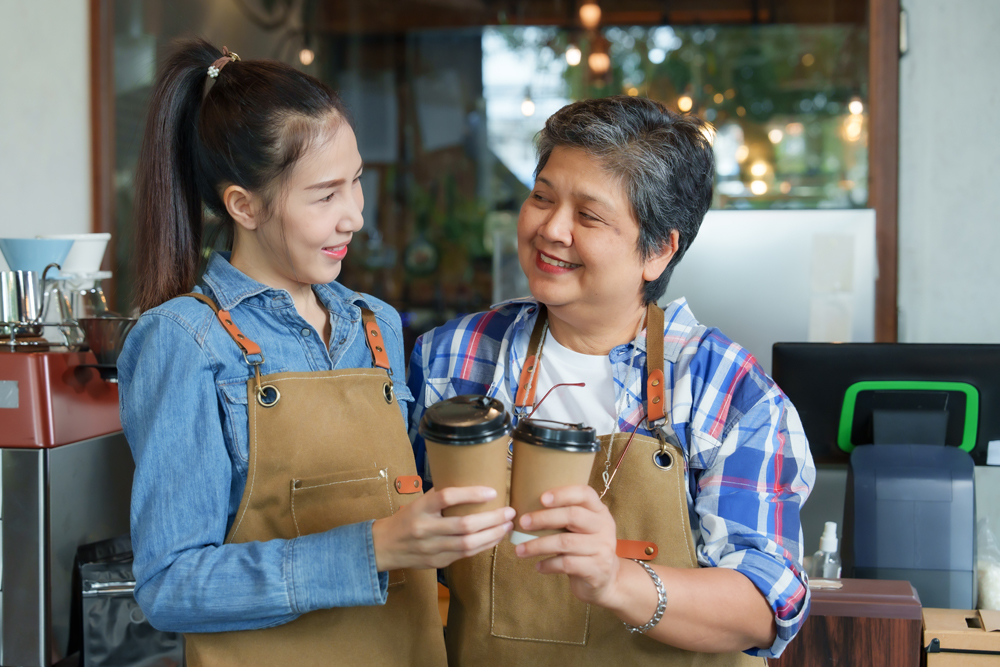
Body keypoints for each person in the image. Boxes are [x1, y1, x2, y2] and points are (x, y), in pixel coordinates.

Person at [117, 40, 513, 667]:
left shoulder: (377, 325)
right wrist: (372, 548)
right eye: (325, 195)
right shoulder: (184, 340)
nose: (354, 216)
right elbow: (171, 586)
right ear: (244, 206)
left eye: (356, 182)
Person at [407, 96, 816, 665]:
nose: (551, 229)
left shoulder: (726, 389)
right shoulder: (455, 356)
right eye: (542, 198)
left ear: (658, 251)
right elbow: (397, 534)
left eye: (589, 216)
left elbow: (765, 607)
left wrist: (614, 580)